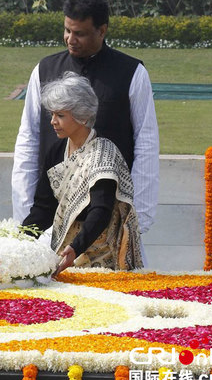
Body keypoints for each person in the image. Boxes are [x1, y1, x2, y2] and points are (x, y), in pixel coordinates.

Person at [12, 0, 159, 263]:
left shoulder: (132, 73)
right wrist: (23, 217)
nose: (70, 39)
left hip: (109, 230)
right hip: (52, 226)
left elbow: (146, 141)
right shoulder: (44, 69)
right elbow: (28, 138)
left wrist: (142, 215)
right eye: (67, 30)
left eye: (79, 33)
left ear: (102, 31)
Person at [23, 72, 143, 274]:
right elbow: (43, 208)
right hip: (65, 252)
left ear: (83, 116)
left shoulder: (102, 154)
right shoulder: (56, 151)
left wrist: (77, 247)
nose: (53, 121)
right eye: (52, 114)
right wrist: (19, 239)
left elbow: (100, 210)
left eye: (60, 115)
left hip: (103, 256)